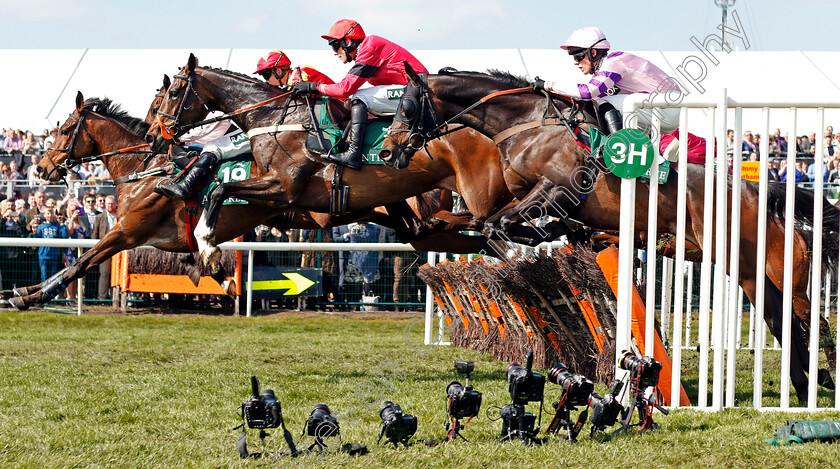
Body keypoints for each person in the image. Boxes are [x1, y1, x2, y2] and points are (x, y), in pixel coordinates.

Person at [291, 19, 429, 170]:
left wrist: (314, 86)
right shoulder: (366, 51)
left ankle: (353, 154)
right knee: (357, 99)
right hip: (412, 91)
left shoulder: (369, 46)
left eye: (335, 45)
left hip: (416, 92)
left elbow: (345, 89)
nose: (335, 52)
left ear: (348, 42)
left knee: (359, 96)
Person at [534, 26, 681, 140]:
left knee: (606, 102)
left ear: (593, 53)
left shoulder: (614, 61)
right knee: (601, 105)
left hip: (667, 108)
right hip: (661, 109)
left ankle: (617, 150)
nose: (576, 62)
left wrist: (548, 85)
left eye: (578, 56)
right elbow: (588, 100)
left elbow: (587, 92)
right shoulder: (606, 69)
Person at [253, 50, 335, 88]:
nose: (266, 80)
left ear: (278, 71)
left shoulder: (299, 73)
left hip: (339, 109)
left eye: (266, 75)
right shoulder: (289, 80)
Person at [33, 207, 69, 283]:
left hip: (54, 255)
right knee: (44, 276)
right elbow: (37, 238)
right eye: (48, 213)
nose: (49, 215)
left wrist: (62, 224)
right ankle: (43, 292)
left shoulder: (57, 226)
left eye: (51, 213)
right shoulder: (41, 226)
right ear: (44, 215)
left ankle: (51, 293)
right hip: (43, 255)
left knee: (53, 276)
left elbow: (64, 235)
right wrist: (34, 232)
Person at [92, 195, 117, 300]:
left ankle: (115, 296)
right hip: (104, 249)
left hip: (119, 248)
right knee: (104, 273)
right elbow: (95, 234)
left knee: (116, 273)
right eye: (108, 203)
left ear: (116, 204)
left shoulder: (121, 216)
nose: (110, 206)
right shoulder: (99, 217)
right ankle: (102, 297)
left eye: (112, 203)